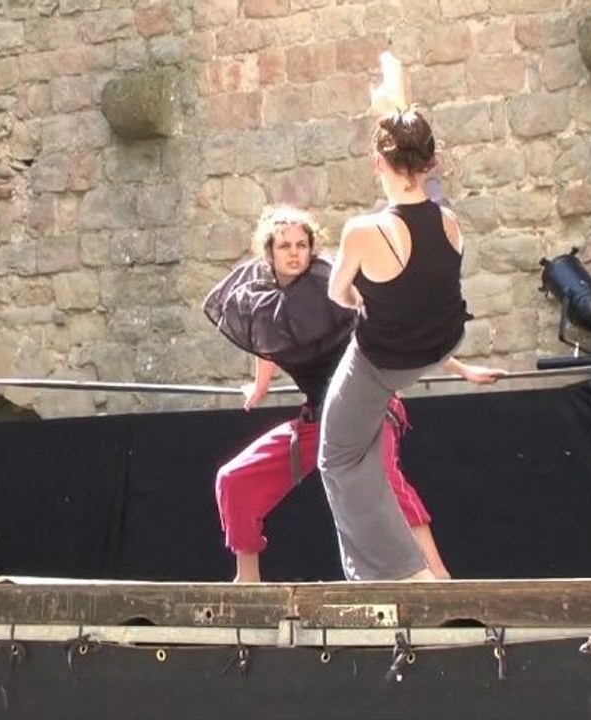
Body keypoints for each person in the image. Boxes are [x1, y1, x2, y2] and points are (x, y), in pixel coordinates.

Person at [204, 205, 488, 582]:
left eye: (301, 245)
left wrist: (460, 367)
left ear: (311, 248)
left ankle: (438, 578)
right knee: (234, 479)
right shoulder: (260, 298)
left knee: (382, 477)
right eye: (284, 245)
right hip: (320, 416)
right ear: (269, 252)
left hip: (368, 404)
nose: (293, 252)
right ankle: (248, 581)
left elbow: (393, 332)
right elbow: (267, 341)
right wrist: (259, 386)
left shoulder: (330, 282)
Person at [319, 106, 498, 581]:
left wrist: (360, 297)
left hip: (385, 360)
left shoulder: (364, 230)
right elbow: (424, 292)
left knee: (337, 458)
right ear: (432, 163)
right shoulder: (450, 222)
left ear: (378, 163)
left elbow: (338, 293)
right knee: (365, 444)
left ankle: (404, 571)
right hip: (437, 344)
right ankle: (396, 563)